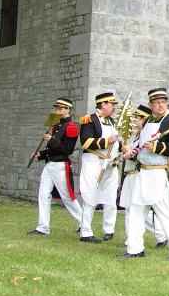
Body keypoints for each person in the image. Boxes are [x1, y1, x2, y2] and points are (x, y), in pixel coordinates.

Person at [119, 95, 169, 261]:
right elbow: (143, 147)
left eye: (163, 102)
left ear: (167, 103)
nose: (160, 105)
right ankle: (135, 248)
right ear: (151, 104)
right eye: (156, 103)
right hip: (142, 173)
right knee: (136, 211)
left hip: (158, 172)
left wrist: (156, 146)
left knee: (165, 212)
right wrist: (135, 153)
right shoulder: (148, 121)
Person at [29, 97, 83, 236]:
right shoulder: (55, 125)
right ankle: (43, 227)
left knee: (67, 197)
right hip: (50, 164)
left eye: (60, 108)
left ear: (67, 110)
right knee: (43, 194)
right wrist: (40, 154)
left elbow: (67, 149)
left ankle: (84, 222)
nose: (57, 111)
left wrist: (51, 139)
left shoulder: (71, 127)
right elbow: (52, 149)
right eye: (57, 108)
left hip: (61, 165)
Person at [118, 105, 166, 246]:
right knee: (130, 209)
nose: (134, 121)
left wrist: (128, 152)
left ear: (144, 119)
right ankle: (131, 240)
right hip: (130, 174)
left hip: (138, 174)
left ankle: (162, 235)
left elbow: (141, 156)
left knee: (143, 210)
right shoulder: (136, 136)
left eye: (137, 118)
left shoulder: (146, 136)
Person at [76, 91, 120, 244]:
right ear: (102, 104)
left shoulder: (113, 122)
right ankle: (85, 231)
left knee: (110, 197)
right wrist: (105, 141)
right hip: (94, 162)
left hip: (110, 163)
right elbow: (85, 143)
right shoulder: (89, 120)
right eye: (111, 104)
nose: (113, 107)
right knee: (90, 195)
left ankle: (109, 229)